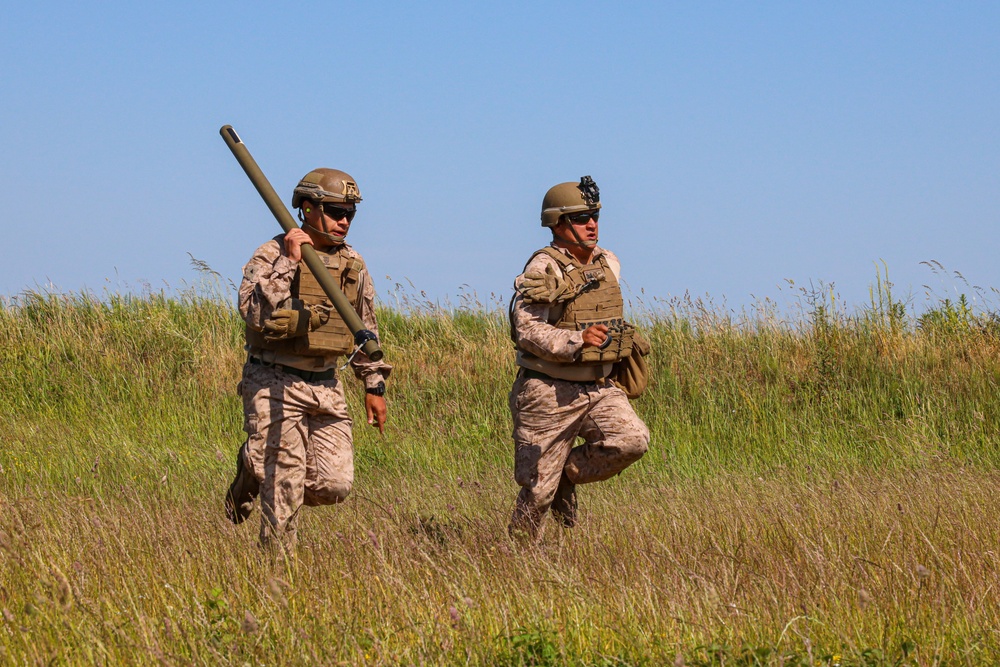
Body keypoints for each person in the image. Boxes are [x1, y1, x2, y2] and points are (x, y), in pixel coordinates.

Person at [225, 168, 391, 552]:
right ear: (306, 208)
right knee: (283, 486)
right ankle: (278, 579)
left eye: (350, 212)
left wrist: (374, 383)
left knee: (335, 485)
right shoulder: (272, 252)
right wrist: (290, 259)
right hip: (274, 381)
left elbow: (364, 325)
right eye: (335, 211)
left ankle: (253, 464)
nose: (344, 221)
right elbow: (253, 313)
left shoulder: (353, 262)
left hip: (326, 384)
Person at [507, 176, 650, 540]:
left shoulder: (609, 262)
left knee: (632, 440)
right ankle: (514, 561)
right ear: (557, 223)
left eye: (595, 216)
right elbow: (527, 331)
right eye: (581, 217)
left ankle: (566, 476)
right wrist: (577, 340)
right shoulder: (543, 268)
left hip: (599, 387)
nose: (592, 225)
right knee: (537, 491)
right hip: (547, 391)